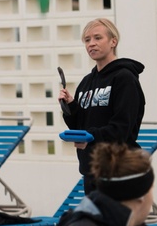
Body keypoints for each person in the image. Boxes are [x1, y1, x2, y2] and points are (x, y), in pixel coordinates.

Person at [58, 18, 145, 193]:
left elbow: (121, 129)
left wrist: (89, 136)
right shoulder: (86, 82)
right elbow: (80, 125)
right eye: (87, 40)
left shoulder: (124, 78)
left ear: (113, 41)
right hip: (92, 169)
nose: (92, 44)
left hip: (120, 171)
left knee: (118, 221)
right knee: (96, 221)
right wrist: (71, 107)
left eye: (98, 38)